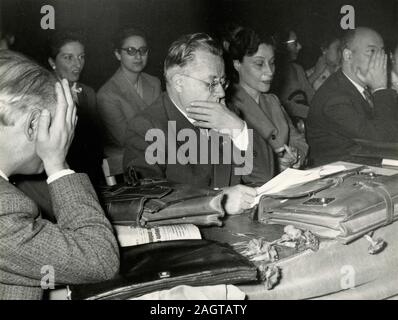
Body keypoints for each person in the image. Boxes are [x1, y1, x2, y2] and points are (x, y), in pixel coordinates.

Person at [0, 50, 119, 300]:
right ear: (34, 124)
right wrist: (57, 162)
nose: (64, 137)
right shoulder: (5, 209)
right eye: (59, 126)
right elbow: (100, 259)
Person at [123, 33, 257, 215]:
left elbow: (264, 177)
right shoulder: (147, 126)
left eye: (222, 82)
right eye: (211, 83)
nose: (221, 93)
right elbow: (146, 201)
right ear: (179, 83)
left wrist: (239, 130)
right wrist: (218, 201)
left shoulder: (227, 115)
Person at [14, 32, 103, 220]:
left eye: (81, 57)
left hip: (86, 176)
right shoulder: (42, 96)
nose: (77, 64)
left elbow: (94, 145)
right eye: (68, 57)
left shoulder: (88, 93)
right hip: (53, 178)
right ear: (52, 62)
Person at [307, 27, 398, 166]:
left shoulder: (357, 87)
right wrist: (380, 88)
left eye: (382, 52)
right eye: (372, 52)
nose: (381, 60)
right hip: (341, 177)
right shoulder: (334, 98)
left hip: (367, 166)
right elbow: (385, 139)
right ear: (348, 55)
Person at [228, 28, 308, 177]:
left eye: (272, 63)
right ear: (237, 64)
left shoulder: (273, 100)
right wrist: (274, 164)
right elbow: (233, 164)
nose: (270, 71)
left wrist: (296, 155)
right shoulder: (229, 106)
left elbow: (298, 140)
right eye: (259, 64)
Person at [97, 27, 161, 157]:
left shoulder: (154, 82)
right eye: (130, 51)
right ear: (118, 54)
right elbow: (126, 140)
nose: (138, 56)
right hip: (129, 164)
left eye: (143, 50)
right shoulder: (107, 95)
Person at [273, 28, 315, 120]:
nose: (299, 46)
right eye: (295, 43)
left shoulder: (298, 69)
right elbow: (283, 105)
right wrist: (312, 113)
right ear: (282, 45)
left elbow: (311, 96)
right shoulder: (273, 72)